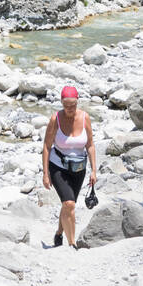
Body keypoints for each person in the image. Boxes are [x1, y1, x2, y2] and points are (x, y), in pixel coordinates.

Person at [42, 86, 96, 248]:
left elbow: (91, 145)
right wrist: (46, 173)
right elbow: (46, 146)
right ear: (61, 103)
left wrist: (94, 170)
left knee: (68, 204)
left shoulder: (85, 118)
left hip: (79, 168)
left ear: (77, 102)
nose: (70, 109)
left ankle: (59, 234)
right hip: (58, 166)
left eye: (73, 105)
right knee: (69, 204)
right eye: (66, 105)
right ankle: (72, 244)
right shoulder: (55, 119)